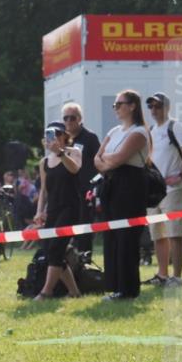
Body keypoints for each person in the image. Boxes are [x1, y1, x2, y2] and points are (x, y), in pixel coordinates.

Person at [95, 89, 150, 301]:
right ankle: (115, 286)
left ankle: (128, 289)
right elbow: (97, 159)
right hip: (111, 185)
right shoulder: (114, 131)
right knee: (112, 237)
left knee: (127, 238)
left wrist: (107, 160)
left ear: (132, 106)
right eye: (115, 105)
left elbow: (117, 159)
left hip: (131, 187)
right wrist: (108, 160)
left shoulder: (139, 132)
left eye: (120, 104)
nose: (116, 108)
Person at [142, 92, 182, 288]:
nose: (154, 110)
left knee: (175, 234)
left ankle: (177, 277)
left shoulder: (176, 126)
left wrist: (181, 175)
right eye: (151, 107)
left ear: (167, 107)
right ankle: (162, 275)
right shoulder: (151, 130)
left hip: (173, 190)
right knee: (158, 235)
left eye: (158, 106)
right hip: (154, 192)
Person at [32, 122, 83, 300]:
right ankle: (74, 292)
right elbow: (44, 190)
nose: (53, 138)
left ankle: (46, 292)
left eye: (57, 134)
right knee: (51, 250)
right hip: (52, 210)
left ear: (64, 136)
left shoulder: (73, 152)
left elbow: (75, 169)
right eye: (49, 135)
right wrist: (39, 211)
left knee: (55, 248)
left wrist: (60, 153)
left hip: (70, 207)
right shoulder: (44, 162)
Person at [62, 102, 101, 254]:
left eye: (72, 118)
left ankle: (84, 261)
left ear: (80, 119)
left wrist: (94, 186)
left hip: (85, 191)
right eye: (65, 118)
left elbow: (99, 163)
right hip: (66, 191)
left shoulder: (90, 138)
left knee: (83, 228)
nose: (69, 122)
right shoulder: (62, 139)